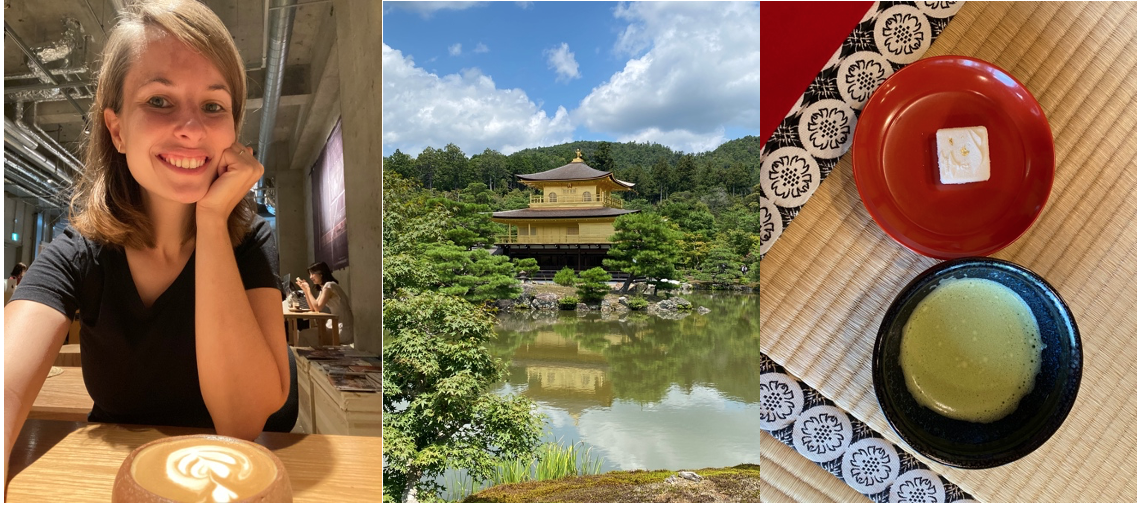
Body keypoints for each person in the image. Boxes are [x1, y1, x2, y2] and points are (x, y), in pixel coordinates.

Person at [4, 0, 290, 482]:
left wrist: (214, 220)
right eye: (159, 100)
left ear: (233, 133)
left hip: (235, 480)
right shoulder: (80, 250)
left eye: (213, 106)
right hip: (116, 479)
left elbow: (241, 422)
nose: (192, 128)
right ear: (116, 129)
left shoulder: (251, 240)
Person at [297, 261, 354, 345]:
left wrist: (308, 290)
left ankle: (305, 358)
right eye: (310, 274)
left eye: (313, 274)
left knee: (304, 335)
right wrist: (305, 291)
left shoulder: (329, 286)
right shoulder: (324, 287)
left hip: (342, 329)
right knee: (304, 334)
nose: (311, 277)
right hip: (334, 325)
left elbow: (317, 308)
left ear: (321, 273)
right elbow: (313, 308)